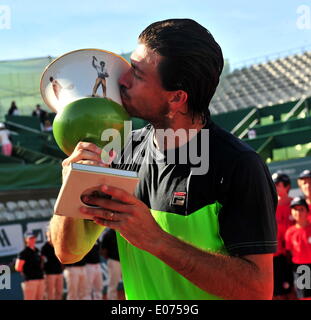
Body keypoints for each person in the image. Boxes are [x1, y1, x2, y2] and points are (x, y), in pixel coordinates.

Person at [50, 18, 277, 300]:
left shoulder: (239, 165)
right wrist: (71, 185)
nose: (121, 79)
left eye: (137, 73)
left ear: (177, 98)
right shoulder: (119, 150)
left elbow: (258, 291)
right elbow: (67, 252)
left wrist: (157, 240)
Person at [271, 172, 295, 299]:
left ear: (287, 186)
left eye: (278, 184)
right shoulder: (270, 206)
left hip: (295, 253)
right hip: (278, 256)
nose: (275, 187)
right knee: (279, 292)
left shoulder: (297, 205)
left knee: (299, 289)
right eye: (273, 184)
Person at [285, 197, 311, 300]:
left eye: (301, 209)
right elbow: (290, 251)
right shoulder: (290, 232)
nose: (298, 212)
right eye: (295, 209)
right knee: (304, 297)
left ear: (307, 211)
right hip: (300, 268)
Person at [15, 231, 45, 300]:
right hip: (30, 281)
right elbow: (18, 268)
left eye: (33, 238)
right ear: (26, 240)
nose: (32, 240)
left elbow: (41, 263)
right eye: (30, 238)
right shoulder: (23, 253)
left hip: (40, 279)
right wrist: (28, 273)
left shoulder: (37, 250)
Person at [41, 228, 64, 300]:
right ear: (47, 235)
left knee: (59, 292)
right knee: (50, 293)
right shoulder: (44, 247)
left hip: (59, 272)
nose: (51, 235)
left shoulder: (58, 245)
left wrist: (62, 267)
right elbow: (42, 261)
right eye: (49, 234)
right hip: (49, 273)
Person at [101, 228, 122, 300]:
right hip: (114, 261)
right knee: (113, 284)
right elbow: (103, 250)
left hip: (124, 261)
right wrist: (110, 258)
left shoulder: (123, 231)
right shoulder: (108, 234)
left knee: (130, 282)